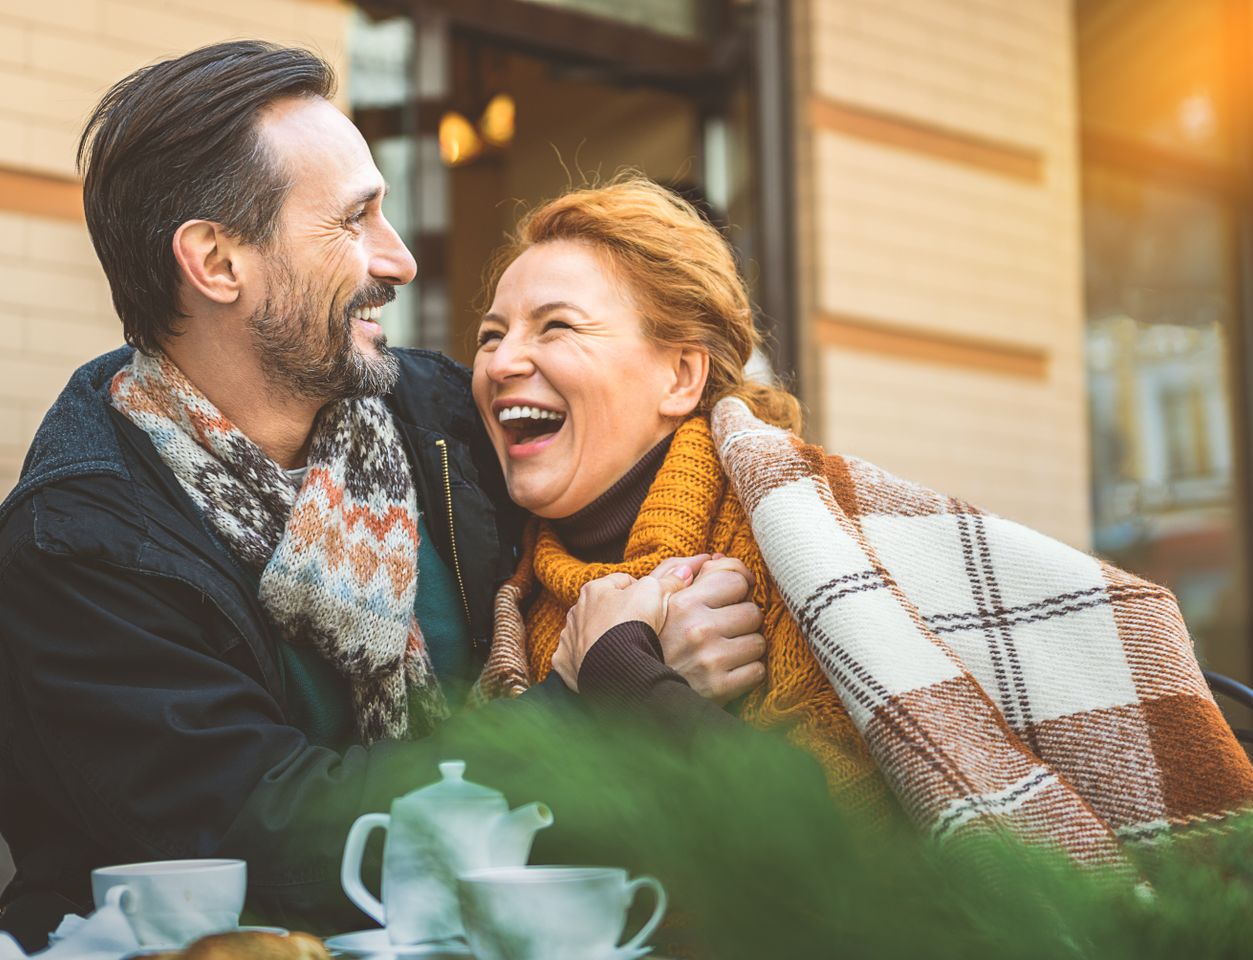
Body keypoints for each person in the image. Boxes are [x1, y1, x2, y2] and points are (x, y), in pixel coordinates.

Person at [0, 44, 767, 951]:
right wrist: (586, 698)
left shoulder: (436, 415)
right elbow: (279, 838)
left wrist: (701, 581)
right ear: (215, 261)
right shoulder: (81, 541)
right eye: (353, 220)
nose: (397, 260)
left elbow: (626, 463)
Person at [469, 175, 1253, 867]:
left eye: (557, 326)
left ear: (682, 374)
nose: (503, 362)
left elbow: (833, 863)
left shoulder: (802, 554)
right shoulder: (505, 589)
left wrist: (622, 672)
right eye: (491, 335)